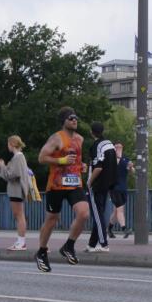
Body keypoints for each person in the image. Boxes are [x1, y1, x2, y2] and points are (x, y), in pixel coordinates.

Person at [35, 107, 90, 272]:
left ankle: (69, 245)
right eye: (71, 118)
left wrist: (82, 166)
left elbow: (76, 160)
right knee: (52, 219)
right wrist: (62, 161)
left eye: (76, 118)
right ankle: (42, 251)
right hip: (56, 184)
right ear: (64, 121)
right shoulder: (56, 138)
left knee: (84, 213)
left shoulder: (80, 139)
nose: (75, 120)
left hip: (74, 184)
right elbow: (41, 158)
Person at [0, 136, 32, 251]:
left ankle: (21, 242)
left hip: (17, 190)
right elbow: (7, 174)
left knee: (19, 216)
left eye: (8, 144)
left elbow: (11, 175)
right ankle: (20, 241)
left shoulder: (18, 157)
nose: (7, 146)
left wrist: (1, 165)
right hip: (16, 190)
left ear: (12, 144)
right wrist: (1, 167)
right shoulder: (17, 157)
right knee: (18, 215)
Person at [85, 122, 118, 253]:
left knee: (97, 215)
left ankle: (104, 243)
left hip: (97, 185)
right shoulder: (110, 144)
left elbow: (98, 167)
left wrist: (89, 182)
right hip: (108, 183)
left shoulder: (96, 145)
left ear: (91, 132)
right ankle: (92, 244)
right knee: (99, 213)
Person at [109, 143, 134, 238]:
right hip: (114, 188)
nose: (118, 148)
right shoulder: (111, 158)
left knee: (116, 211)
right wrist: (118, 156)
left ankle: (109, 229)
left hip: (123, 188)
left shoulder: (125, 158)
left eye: (120, 147)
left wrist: (131, 167)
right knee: (120, 210)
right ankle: (125, 229)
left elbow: (132, 172)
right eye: (116, 147)